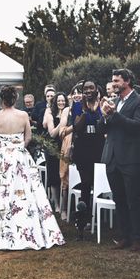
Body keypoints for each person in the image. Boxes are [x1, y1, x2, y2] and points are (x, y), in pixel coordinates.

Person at [0, 85, 65, 250]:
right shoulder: (23, 115)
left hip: (1, 157)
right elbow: (29, 136)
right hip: (20, 157)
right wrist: (18, 147)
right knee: (25, 192)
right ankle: (26, 227)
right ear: (15, 98)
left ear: (1, 100)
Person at [99, 69, 140, 251]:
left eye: (117, 81)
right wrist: (104, 116)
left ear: (127, 81)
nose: (113, 84)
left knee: (134, 200)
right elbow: (102, 128)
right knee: (119, 199)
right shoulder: (113, 101)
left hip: (131, 157)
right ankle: (124, 236)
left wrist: (115, 115)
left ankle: (138, 238)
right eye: (112, 81)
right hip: (112, 157)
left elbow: (138, 127)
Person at [70, 80, 105, 232]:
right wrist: (85, 110)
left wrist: (99, 110)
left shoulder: (103, 104)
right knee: (85, 184)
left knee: (99, 184)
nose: (88, 90)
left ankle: (100, 217)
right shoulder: (77, 105)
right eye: (85, 89)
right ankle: (83, 221)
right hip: (82, 148)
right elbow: (77, 127)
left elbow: (104, 125)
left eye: (91, 87)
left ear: (97, 89)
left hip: (99, 148)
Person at [53, 85, 82, 221]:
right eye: (74, 92)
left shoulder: (90, 107)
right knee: (65, 176)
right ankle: (64, 209)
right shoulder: (67, 110)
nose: (77, 95)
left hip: (85, 144)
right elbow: (61, 132)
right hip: (68, 143)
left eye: (79, 92)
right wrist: (75, 126)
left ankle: (82, 212)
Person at [44, 92, 68, 211]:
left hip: (65, 147)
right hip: (52, 147)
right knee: (54, 177)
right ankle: (57, 205)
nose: (61, 103)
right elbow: (52, 133)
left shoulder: (69, 112)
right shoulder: (50, 114)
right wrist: (62, 121)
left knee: (64, 177)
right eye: (58, 101)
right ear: (55, 102)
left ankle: (64, 206)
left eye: (63, 100)